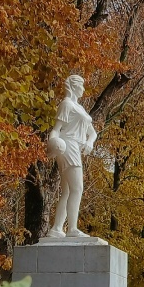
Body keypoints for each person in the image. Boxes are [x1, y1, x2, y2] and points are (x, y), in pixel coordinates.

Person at [47, 74, 97, 238]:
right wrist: (53, 143)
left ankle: (56, 228)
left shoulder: (80, 108)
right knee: (77, 188)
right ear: (75, 87)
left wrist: (90, 142)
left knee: (68, 190)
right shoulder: (67, 104)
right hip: (68, 145)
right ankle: (72, 229)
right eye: (81, 86)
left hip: (76, 146)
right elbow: (56, 129)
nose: (83, 89)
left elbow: (92, 133)